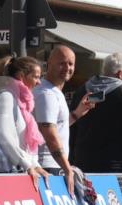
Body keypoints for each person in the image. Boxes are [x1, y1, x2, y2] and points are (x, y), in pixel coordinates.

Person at [70, 53, 122, 173]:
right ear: (121, 74)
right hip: (116, 168)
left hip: (82, 165)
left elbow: (72, 129)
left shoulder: (82, 91)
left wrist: (71, 160)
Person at [34, 46, 94, 191]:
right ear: (49, 64)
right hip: (47, 167)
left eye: (70, 64)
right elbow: (49, 133)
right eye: (62, 63)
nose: (67, 68)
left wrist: (77, 113)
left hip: (53, 165)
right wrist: (67, 168)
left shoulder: (54, 91)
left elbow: (57, 127)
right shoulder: (47, 94)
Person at [0, 56, 50, 186]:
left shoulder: (21, 102)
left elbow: (22, 144)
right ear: (21, 76)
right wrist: (27, 164)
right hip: (5, 172)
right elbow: (5, 136)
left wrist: (35, 165)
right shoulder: (6, 97)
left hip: (17, 170)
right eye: (36, 77)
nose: (39, 82)